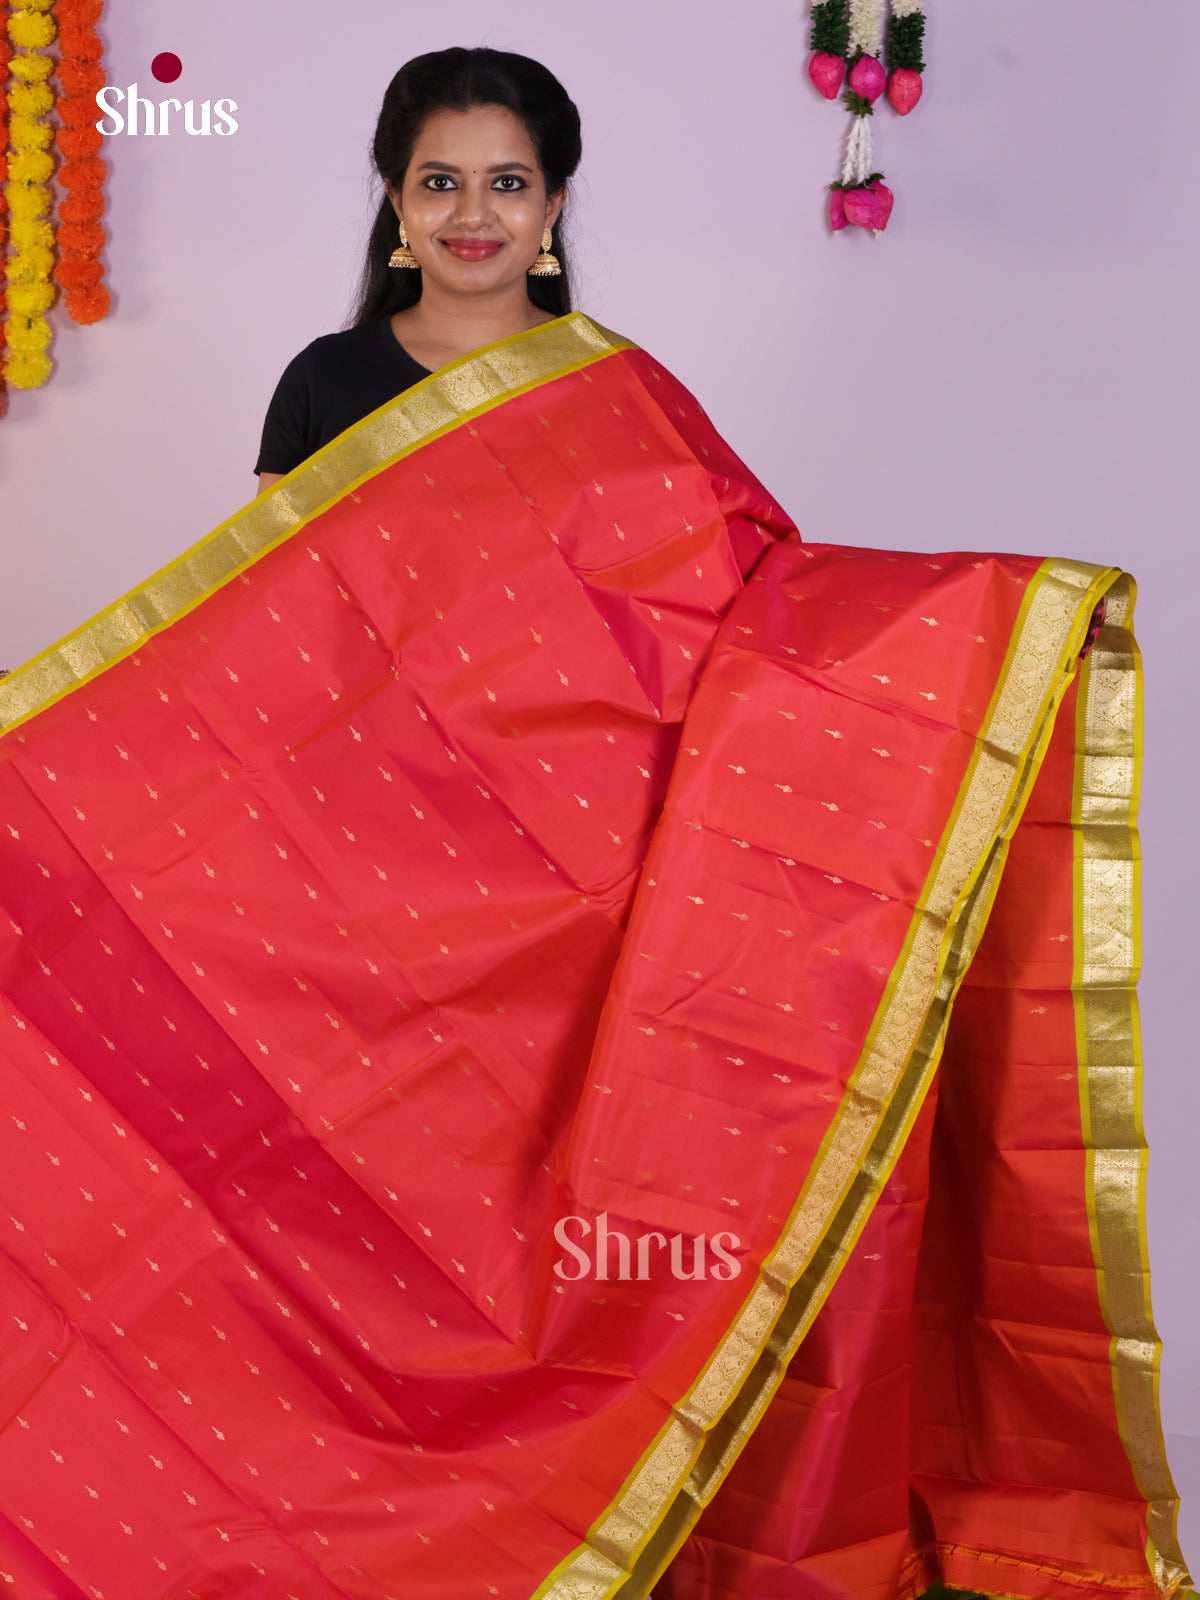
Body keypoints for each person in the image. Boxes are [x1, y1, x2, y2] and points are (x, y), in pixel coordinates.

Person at [0, 46, 1188, 1600]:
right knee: (257, 1237)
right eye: (441, 183)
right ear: (393, 206)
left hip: (570, 916)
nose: (473, 214)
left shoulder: (617, 397)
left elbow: (753, 619)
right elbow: (268, 654)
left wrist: (980, 627)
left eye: (507, 182)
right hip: (359, 896)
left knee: (594, 1261)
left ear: (555, 203)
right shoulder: (331, 387)